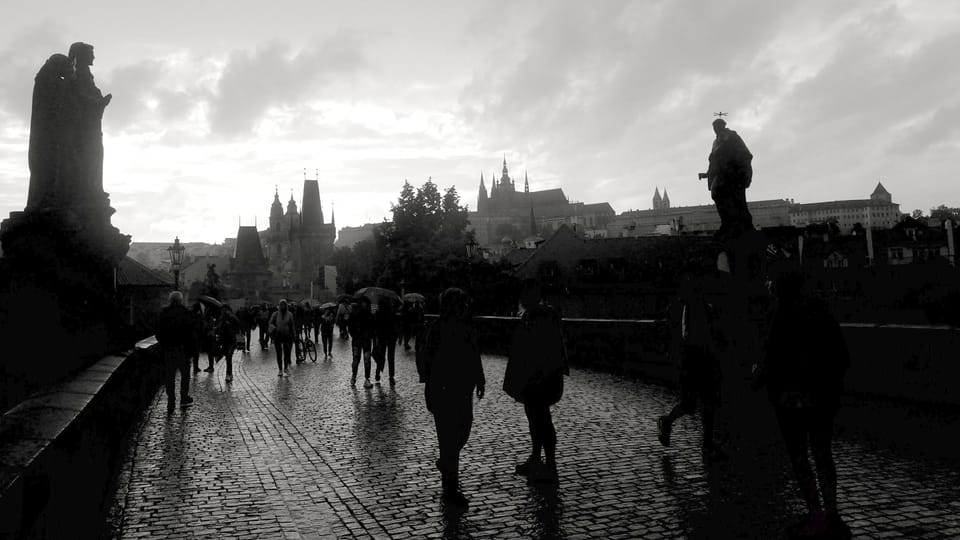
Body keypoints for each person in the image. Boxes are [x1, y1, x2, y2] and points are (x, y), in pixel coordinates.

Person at [759, 271, 851, 538]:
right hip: (824, 397)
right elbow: (842, 356)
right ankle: (831, 512)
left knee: (800, 457)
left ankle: (815, 513)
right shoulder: (822, 315)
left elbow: (772, 361)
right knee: (823, 452)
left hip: (791, 399)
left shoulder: (779, 318)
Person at [417, 288, 485, 509]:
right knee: (447, 437)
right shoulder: (436, 328)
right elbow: (426, 358)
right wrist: (428, 383)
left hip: (461, 388)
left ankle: (446, 464)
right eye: (461, 303)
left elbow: (475, 354)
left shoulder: (465, 327)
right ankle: (450, 488)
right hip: (444, 389)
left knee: (463, 429)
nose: (464, 307)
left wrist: (480, 379)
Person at [503, 279, 568, 482]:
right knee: (537, 418)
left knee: (540, 419)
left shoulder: (540, 315)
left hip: (539, 377)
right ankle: (539, 459)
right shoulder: (540, 314)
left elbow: (543, 349)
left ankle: (546, 461)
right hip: (538, 376)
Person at [656, 274, 725, 459]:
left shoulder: (687, 305)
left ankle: (705, 441)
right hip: (697, 359)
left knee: (695, 404)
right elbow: (703, 336)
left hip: (692, 360)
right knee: (701, 403)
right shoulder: (698, 306)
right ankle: (705, 441)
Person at [700, 118, 754, 240]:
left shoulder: (732, 137)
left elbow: (745, 154)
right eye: (714, 128)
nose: (716, 130)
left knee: (737, 201)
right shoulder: (716, 141)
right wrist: (707, 174)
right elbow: (713, 160)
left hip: (733, 174)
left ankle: (741, 226)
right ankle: (727, 224)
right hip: (721, 174)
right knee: (717, 194)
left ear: (723, 126)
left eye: (717, 127)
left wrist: (742, 171)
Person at [154, 291, 194, 412]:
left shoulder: (164, 313)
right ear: (180, 300)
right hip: (183, 349)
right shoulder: (186, 313)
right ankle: (183, 398)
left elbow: (158, 331)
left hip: (169, 349)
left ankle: (171, 400)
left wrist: (163, 344)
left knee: (169, 376)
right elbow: (191, 333)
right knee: (185, 375)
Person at [348, 297, 375, 388]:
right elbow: (350, 327)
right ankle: (356, 377)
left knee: (362, 359)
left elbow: (350, 327)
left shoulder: (364, 314)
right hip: (362, 340)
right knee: (359, 359)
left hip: (362, 340)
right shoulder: (367, 315)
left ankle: (361, 378)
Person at [373, 297, 399, 385]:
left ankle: (377, 373)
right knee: (391, 357)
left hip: (382, 337)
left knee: (381, 356)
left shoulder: (378, 313)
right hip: (391, 337)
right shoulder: (392, 313)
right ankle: (391, 377)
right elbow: (396, 326)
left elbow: (375, 327)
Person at [269, 300, 296, 376]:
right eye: (281, 305)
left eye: (284, 305)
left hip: (286, 335)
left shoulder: (290, 315)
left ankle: (286, 368)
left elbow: (292, 325)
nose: (283, 307)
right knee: (279, 353)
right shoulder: (276, 314)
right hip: (278, 335)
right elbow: (270, 323)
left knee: (287, 352)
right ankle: (280, 369)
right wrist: (275, 328)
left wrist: (294, 334)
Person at [217, 305, 240, 383]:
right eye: (222, 310)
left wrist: (229, 323)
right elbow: (219, 328)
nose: (223, 312)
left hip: (231, 340)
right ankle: (229, 374)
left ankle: (229, 374)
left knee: (229, 357)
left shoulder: (232, 318)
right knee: (226, 356)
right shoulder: (221, 319)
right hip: (224, 340)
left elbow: (237, 326)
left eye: (224, 310)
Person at [188, 303, 204, 373]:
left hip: (190, 336)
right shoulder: (198, 316)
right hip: (196, 336)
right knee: (196, 353)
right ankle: (195, 367)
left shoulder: (189, 314)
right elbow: (200, 326)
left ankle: (193, 366)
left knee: (191, 353)